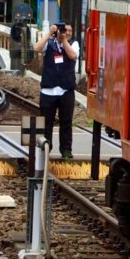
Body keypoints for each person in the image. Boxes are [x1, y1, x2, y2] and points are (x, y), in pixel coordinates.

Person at [34, 22, 79, 161]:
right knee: (46, 122)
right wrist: (49, 33)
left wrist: (64, 39)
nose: (67, 32)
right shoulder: (50, 43)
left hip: (66, 90)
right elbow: (37, 48)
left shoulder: (74, 44)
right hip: (49, 90)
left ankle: (66, 150)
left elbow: (72, 56)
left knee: (66, 122)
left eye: (69, 30)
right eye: (64, 30)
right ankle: (46, 147)